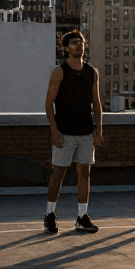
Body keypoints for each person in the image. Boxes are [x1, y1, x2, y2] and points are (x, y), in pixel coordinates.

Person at [43, 30, 102, 234]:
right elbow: (49, 103)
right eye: (75, 42)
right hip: (65, 131)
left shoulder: (92, 72)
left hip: (86, 132)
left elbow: (96, 102)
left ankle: (81, 216)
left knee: (84, 172)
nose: (80, 45)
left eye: (82, 42)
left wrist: (98, 129)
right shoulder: (60, 71)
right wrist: (55, 131)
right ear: (66, 48)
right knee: (58, 172)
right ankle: (50, 214)